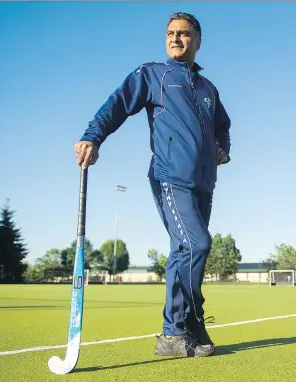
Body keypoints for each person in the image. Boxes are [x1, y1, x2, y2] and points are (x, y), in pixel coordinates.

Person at [74, 12, 231, 358]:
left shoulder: (208, 89)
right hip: (170, 177)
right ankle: (190, 321)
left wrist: (223, 147)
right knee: (196, 244)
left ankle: (173, 337)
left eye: (184, 34)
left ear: (198, 41)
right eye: (170, 33)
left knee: (182, 251)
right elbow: (117, 103)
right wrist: (93, 137)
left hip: (204, 182)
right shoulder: (154, 75)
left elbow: (223, 126)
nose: (175, 38)